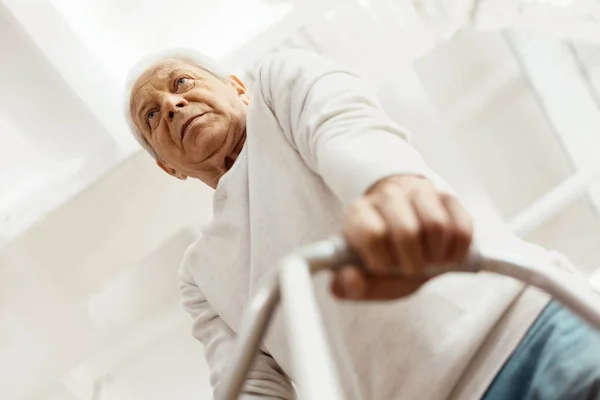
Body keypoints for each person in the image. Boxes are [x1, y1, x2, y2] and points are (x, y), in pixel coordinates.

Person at [124, 48, 600, 399]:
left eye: (181, 83)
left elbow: (345, 128)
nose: (170, 105)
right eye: (152, 115)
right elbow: (247, 382)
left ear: (238, 88)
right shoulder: (198, 275)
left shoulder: (274, 88)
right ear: (171, 168)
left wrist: (391, 187)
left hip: (533, 332)